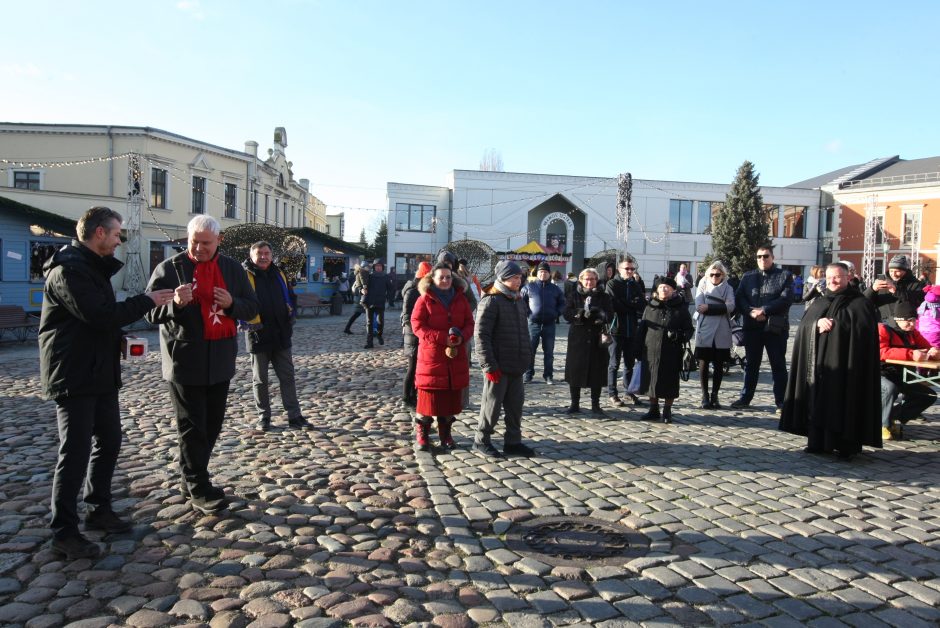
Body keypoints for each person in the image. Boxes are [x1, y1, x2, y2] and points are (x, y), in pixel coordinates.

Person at [40, 207, 174, 559]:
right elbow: (98, 316)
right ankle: (64, 532)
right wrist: (148, 301)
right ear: (99, 233)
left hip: (98, 372)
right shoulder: (69, 271)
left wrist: (121, 339)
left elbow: (98, 322)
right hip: (74, 375)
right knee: (75, 452)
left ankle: (98, 509)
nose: (119, 240)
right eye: (117, 234)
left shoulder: (90, 268)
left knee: (110, 440)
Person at [146, 215, 258, 514]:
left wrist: (232, 304)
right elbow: (150, 313)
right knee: (192, 427)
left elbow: (251, 307)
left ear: (219, 241)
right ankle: (198, 486)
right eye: (194, 241)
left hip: (220, 359)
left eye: (205, 243)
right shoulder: (169, 269)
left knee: (212, 425)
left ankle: (190, 476)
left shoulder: (233, 269)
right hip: (184, 360)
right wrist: (174, 305)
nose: (198, 248)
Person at [780, 263, 881, 459]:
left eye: (837, 277)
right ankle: (818, 442)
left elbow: (864, 332)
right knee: (818, 400)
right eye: (829, 277)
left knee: (846, 403)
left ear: (847, 277)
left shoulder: (860, 303)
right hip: (820, 366)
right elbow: (804, 327)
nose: (833, 281)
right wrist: (816, 324)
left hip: (848, 367)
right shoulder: (819, 301)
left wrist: (840, 325)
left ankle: (846, 446)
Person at [242, 241, 308, 431]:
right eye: (259, 253)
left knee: (288, 377)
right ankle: (264, 417)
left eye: (267, 253)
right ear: (252, 255)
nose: (263, 256)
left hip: (281, 334)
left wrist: (291, 315)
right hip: (258, 334)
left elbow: (290, 296)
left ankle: (295, 416)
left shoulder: (279, 273)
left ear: (271, 255)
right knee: (260, 380)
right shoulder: (244, 275)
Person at [474, 261, 535, 458]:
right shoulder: (491, 300)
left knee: (515, 407)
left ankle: (513, 442)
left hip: (516, 365)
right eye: (514, 277)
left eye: (519, 277)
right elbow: (481, 336)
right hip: (497, 366)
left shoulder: (517, 299)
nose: (519, 281)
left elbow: (523, 331)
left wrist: (526, 356)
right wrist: (488, 365)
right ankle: (481, 441)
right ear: (503, 278)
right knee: (491, 406)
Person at [411, 263, 474, 450]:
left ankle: (445, 434)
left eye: (448, 277)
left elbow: (470, 323)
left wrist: (461, 336)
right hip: (432, 356)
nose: (445, 280)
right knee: (428, 399)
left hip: (455, 355)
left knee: (448, 399)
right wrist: (441, 338)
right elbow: (417, 325)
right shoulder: (424, 300)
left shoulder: (461, 299)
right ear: (433, 279)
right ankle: (422, 433)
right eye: (441, 277)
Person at [732, 245, 793, 411]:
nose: (762, 259)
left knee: (778, 365)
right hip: (752, 327)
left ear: (772, 257)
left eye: (765, 256)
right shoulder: (748, 276)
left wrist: (764, 310)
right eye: (759, 256)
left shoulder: (784, 275)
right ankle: (745, 398)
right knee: (751, 365)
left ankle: (781, 401)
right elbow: (740, 298)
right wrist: (751, 312)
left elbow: (786, 299)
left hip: (775, 328)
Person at [636, 277, 694, 423]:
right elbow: (642, 329)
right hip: (650, 350)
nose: (664, 289)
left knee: (669, 382)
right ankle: (653, 409)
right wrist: (637, 349)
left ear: (673, 289)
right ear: (657, 289)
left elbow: (689, 329)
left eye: (667, 287)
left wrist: (679, 335)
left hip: (671, 351)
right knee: (650, 381)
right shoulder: (650, 306)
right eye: (661, 287)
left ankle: (667, 411)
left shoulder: (680, 308)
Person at [879, 301, 938, 440]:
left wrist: (934, 352)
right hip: (880, 374)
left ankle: (890, 416)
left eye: (914, 320)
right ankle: (883, 424)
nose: (912, 324)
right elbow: (881, 352)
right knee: (890, 388)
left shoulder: (913, 333)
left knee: (928, 396)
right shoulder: (883, 329)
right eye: (908, 321)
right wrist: (911, 354)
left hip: (902, 375)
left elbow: (927, 348)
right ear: (898, 319)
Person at [563, 267, 615, 416]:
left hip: (596, 337)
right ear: (581, 280)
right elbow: (566, 313)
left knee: (597, 371)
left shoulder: (604, 296)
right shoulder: (573, 295)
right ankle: (574, 404)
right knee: (575, 370)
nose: (589, 282)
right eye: (586, 279)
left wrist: (601, 314)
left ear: (596, 280)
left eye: (592, 279)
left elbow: (610, 314)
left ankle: (595, 404)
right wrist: (580, 313)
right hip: (578, 338)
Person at [605, 258, 647, 407]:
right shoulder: (612, 284)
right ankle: (612, 393)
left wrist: (627, 303)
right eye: (627, 268)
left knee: (629, 363)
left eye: (632, 269)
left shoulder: (634, 284)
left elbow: (642, 303)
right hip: (616, 329)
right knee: (614, 363)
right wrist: (631, 305)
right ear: (619, 269)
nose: (630, 271)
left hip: (631, 329)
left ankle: (629, 391)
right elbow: (614, 305)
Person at [694, 261, 736, 409]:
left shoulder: (728, 288)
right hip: (705, 328)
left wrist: (710, 307)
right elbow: (699, 306)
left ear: (723, 275)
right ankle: (705, 396)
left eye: (717, 274)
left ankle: (715, 396)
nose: (714, 277)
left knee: (719, 365)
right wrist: (720, 307)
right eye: (711, 274)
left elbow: (731, 306)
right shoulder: (703, 285)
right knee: (703, 364)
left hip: (722, 330)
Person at [520, 262, 566, 385]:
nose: (543, 274)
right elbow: (521, 302)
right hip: (533, 324)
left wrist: (556, 314)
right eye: (541, 272)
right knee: (530, 350)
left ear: (549, 274)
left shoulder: (555, 289)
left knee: (549, 352)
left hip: (549, 324)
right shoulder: (529, 287)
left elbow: (563, 303)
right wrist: (528, 313)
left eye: (545, 272)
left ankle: (548, 375)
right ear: (537, 273)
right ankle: (528, 375)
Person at [401, 261, 433, 407]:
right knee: (412, 367)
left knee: (417, 368)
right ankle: (407, 397)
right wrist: (418, 330)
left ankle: (413, 395)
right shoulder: (413, 290)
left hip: (416, 335)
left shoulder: (419, 288)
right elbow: (407, 315)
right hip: (412, 336)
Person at [865, 254, 927, 322]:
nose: (893, 274)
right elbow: (864, 301)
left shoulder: (916, 284)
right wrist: (872, 289)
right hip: (883, 324)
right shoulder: (882, 283)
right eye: (891, 271)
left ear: (905, 270)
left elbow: (918, 300)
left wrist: (897, 291)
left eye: (897, 271)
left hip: (906, 325)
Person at [362, 258, 392, 348]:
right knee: (369, 322)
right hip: (369, 302)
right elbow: (361, 285)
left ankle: (379, 335)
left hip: (380, 302)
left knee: (380, 321)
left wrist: (388, 298)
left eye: (380, 266)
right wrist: (361, 290)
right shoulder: (369, 276)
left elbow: (390, 289)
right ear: (374, 267)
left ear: (382, 267)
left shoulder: (385, 277)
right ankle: (369, 342)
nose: (378, 268)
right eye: (376, 266)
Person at [343, 263, 369, 334]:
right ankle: (369, 328)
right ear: (364, 267)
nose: (369, 268)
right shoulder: (362, 273)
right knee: (365, 313)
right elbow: (364, 284)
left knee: (358, 314)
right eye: (367, 266)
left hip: (359, 297)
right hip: (362, 297)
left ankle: (347, 328)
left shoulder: (360, 273)